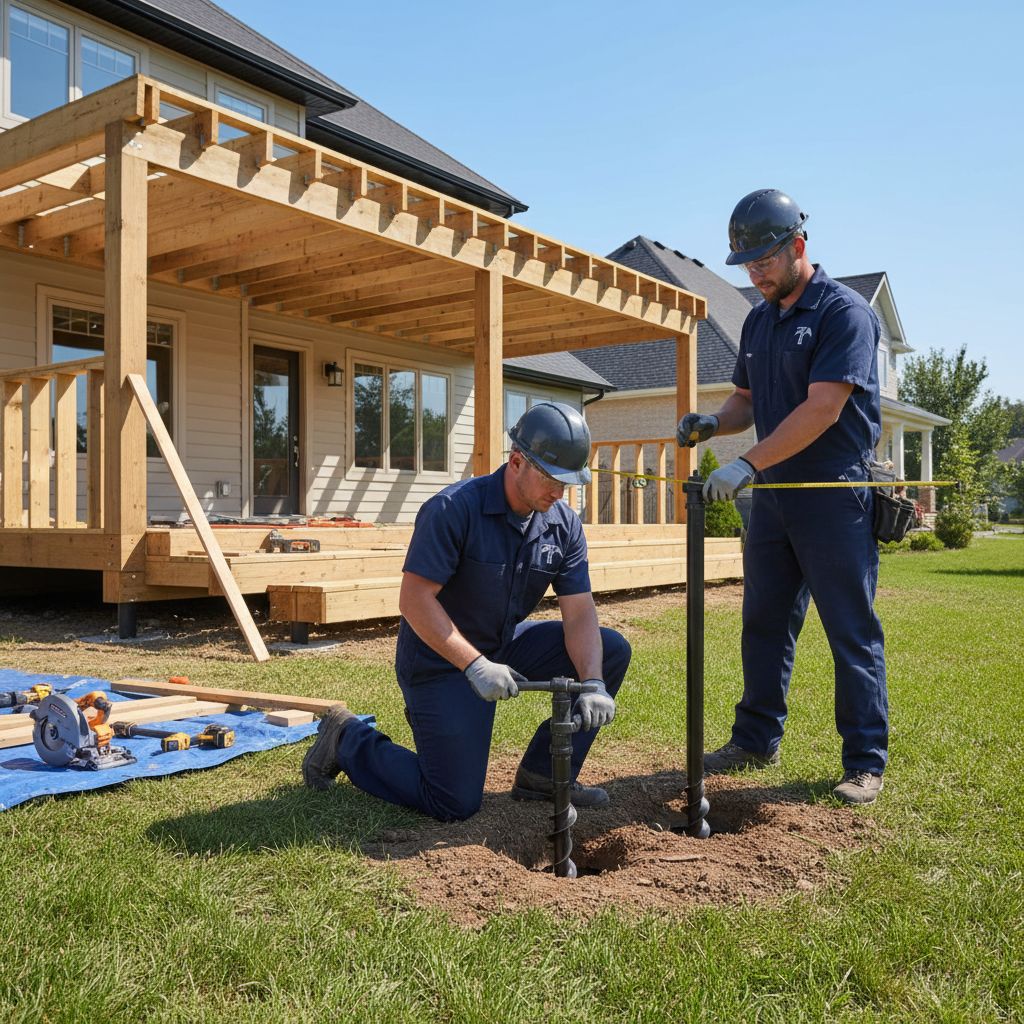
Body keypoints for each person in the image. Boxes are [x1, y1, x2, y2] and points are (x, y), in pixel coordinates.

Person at [302, 401, 631, 820]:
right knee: (454, 800)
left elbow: (580, 613)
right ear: (516, 462)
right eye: (552, 479)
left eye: (568, 483)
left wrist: (593, 683)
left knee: (610, 649)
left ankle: (545, 777)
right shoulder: (454, 509)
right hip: (439, 658)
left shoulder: (562, 523)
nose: (560, 493)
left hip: (502, 643)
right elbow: (414, 601)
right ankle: (346, 739)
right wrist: (473, 665)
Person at [676, 188, 888, 806]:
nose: (755, 272)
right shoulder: (758, 319)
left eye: (764, 259)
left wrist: (745, 462)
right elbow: (747, 401)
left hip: (832, 492)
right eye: (746, 263)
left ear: (797, 245)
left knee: (850, 630)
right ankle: (754, 739)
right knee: (764, 621)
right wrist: (715, 424)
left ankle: (864, 761)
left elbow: (822, 409)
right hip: (773, 495)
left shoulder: (842, 313)